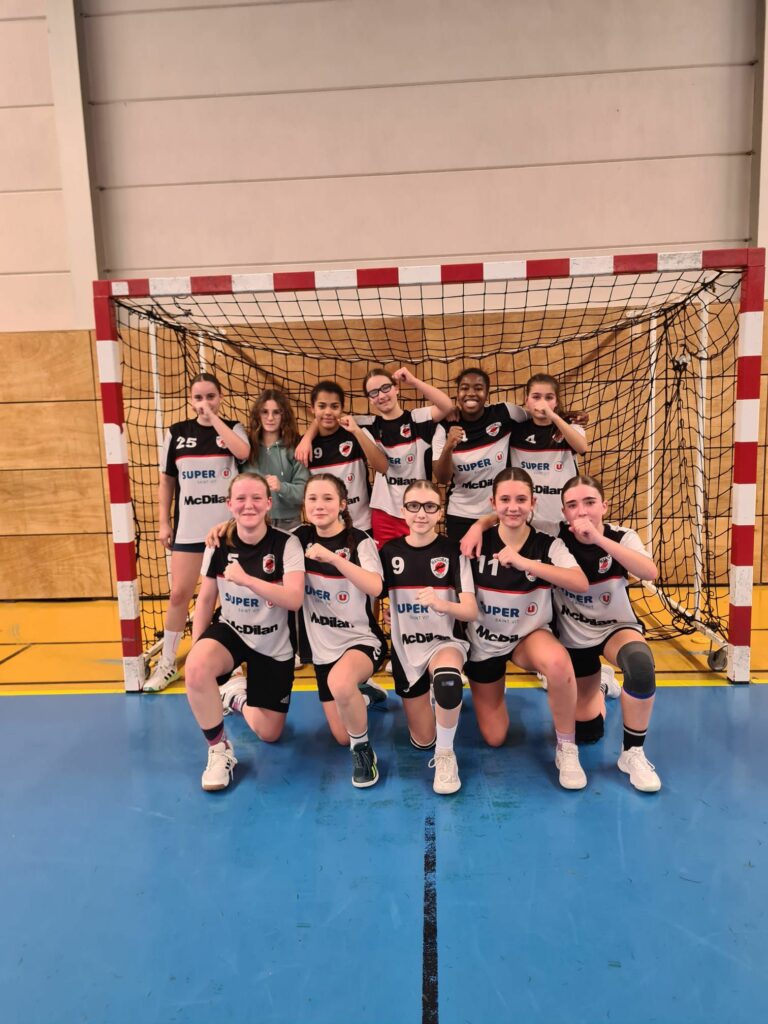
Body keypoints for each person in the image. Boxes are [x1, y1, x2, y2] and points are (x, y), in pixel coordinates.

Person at [464, 468, 590, 790]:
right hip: (484, 643)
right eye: (505, 500)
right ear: (493, 503)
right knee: (495, 737)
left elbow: (579, 581)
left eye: (521, 500)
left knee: (559, 662)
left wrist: (525, 563)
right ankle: (494, 687)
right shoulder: (475, 543)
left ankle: (566, 747)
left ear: (533, 503)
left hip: (528, 637)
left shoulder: (547, 545)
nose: (513, 507)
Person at [184, 472, 305, 791]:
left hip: (273, 642)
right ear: (229, 504)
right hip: (233, 632)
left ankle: (237, 696)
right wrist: (198, 652)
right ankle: (219, 749)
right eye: (240, 498)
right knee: (196, 669)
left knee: (270, 733)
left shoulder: (286, 544)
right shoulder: (218, 543)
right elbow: (206, 599)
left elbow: (294, 600)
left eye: (256, 498)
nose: (248, 505)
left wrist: (247, 580)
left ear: (268, 503)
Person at [554, 475, 662, 792]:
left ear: (604, 506)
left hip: (615, 628)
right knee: (587, 732)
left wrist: (599, 539)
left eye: (589, 502)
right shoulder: (556, 542)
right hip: (575, 637)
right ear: (564, 513)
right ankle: (601, 683)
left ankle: (632, 753)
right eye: (573, 505)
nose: (582, 511)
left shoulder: (622, 537)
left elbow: (649, 572)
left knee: (640, 666)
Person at [145, 373, 250, 693]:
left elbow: (243, 454)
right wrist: (163, 522)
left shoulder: (232, 428)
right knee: (179, 594)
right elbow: (167, 481)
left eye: (211, 396)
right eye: (199, 398)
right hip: (189, 531)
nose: (205, 403)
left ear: (221, 397)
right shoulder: (177, 433)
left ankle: (231, 664)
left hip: (226, 531)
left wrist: (214, 419)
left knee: (227, 598)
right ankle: (167, 662)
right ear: (190, 400)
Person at [379, 480, 478, 794]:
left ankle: (446, 755)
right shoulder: (389, 552)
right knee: (422, 740)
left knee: (448, 681)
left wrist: (441, 603)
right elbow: (373, 592)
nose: (421, 513)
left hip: (444, 642)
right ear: (403, 510)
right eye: (414, 506)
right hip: (406, 648)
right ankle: (433, 707)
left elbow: (470, 611)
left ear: (440, 512)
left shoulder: (453, 551)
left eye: (430, 506)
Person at [292, 474, 388, 787]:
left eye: (328, 498)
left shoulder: (359, 540)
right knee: (340, 735)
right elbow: (261, 538)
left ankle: (363, 753)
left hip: (362, 642)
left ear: (343, 504)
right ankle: (364, 693)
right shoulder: (298, 538)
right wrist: (223, 529)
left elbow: (376, 587)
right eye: (312, 499)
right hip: (324, 653)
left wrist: (333, 558)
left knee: (341, 683)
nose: (319, 505)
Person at [362, 368, 454, 550]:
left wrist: (413, 381)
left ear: (396, 388)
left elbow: (446, 406)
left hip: (418, 512)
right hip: (385, 513)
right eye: (374, 393)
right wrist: (309, 436)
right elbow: (331, 417)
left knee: (419, 562)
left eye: (386, 388)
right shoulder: (369, 425)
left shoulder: (417, 418)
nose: (381, 396)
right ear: (370, 399)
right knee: (386, 564)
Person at [432, 367, 527, 542]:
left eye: (478, 388)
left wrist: (566, 418)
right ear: (457, 393)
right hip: (460, 514)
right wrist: (448, 446)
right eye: (464, 388)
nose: (471, 393)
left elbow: (537, 417)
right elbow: (442, 478)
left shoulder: (505, 413)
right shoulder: (444, 427)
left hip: (500, 512)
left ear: (487, 393)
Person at [293, 380, 387, 531]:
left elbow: (383, 467)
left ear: (342, 408)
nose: (328, 412)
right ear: (312, 409)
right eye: (322, 406)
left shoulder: (354, 431)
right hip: (325, 530)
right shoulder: (304, 446)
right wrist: (307, 437)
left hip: (362, 526)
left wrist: (356, 431)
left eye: (334, 406)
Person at [508, 374, 588, 536]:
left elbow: (582, 448)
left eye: (549, 398)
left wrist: (554, 416)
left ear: (556, 402)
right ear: (527, 400)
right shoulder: (515, 430)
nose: (542, 403)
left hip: (565, 520)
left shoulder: (569, 427)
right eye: (536, 397)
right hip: (528, 521)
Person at [245, 388, 309, 531]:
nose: (270, 418)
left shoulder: (296, 447)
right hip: (254, 521)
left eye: (276, 412)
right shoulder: (247, 447)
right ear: (258, 414)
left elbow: (304, 493)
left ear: (284, 415)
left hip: (289, 523)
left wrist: (282, 487)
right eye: (265, 412)